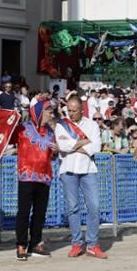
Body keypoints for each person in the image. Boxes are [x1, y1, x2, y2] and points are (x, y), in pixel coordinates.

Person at [54, 95, 105, 258]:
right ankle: (76, 243)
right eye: (69, 110)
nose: (71, 113)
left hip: (88, 169)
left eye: (74, 111)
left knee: (94, 207)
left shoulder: (92, 125)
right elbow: (61, 146)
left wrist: (71, 146)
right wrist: (83, 142)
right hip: (68, 169)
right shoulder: (61, 125)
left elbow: (96, 146)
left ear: (82, 110)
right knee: (73, 208)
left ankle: (92, 244)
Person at [15, 95, 57, 260]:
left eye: (51, 112)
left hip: (44, 177)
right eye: (48, 111)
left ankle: (36, 243)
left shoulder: (51, 133)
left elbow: (51, 156)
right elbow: (6, 137)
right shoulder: (22, 129)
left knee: (40, 213)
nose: (50, 115)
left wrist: (56, 151)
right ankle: (21, 244)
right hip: (26, 177)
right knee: (24, 212)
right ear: (38, 111)